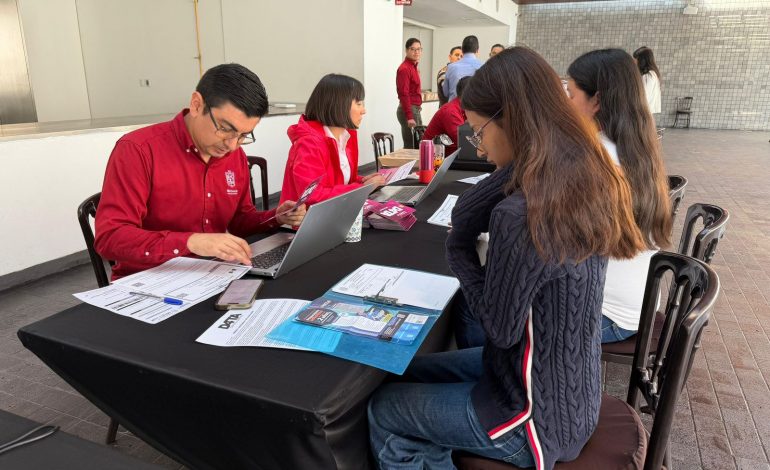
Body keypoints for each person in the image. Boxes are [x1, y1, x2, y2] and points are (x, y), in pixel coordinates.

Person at [368, 47, 645, 470]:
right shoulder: (584, 171)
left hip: (531, 419)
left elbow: (498, 329)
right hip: (571, 393)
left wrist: (458, 251)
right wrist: (514, 159)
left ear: (512, 121)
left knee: (384, 407)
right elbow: (467, 212)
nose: (479, 148)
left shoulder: (521, 214)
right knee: (408, 371)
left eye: (479, 131)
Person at [94, 64, 306, 280]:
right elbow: (110, 237)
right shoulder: (139, 150)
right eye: (225, 129)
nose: (232, 145)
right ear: (196, 105)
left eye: (243, 135)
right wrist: (190, 242)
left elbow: (240, 221)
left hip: (211, 274)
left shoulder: (234, 156)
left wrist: (277, 217)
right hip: (148, 280)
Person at [566, 48, 672, 343]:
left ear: (597, 101)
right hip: (638, 303)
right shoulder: (637, 147)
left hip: (606, 312)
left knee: (480, 320)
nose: (565, 104)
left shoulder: (595, 157)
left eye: (571, 95)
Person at [280, 74, 385, 207]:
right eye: (358, 104)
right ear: (339, 105)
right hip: (307, 218)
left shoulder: (345, 136)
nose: (363, 110)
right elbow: (311, 196)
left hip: (336, 210)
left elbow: (338, 182)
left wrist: (362, 181)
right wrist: (363, 188)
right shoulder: (309, 143)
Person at [423, 76, 470, 155]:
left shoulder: (463, 109)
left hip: (447, 154)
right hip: (434, 156)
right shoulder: (451, 111)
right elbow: (464, 141)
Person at [396, 38, 423, 149]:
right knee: (412, 146)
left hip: (413, 109)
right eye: (413, 49)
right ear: (406, 50)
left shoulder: (413, 67)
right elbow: (404, 93)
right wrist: (409, 116)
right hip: (409, 110)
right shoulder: (405, 69)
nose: (416, 52)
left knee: (417, 144)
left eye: (419, 49)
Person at [442, 35, 483, 101]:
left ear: (462, 50)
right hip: (475, 106)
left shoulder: (451, 67)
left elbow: (445, 93)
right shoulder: (484, 66)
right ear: (477, 50)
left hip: (454, 106)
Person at [632, 46, 661, 115]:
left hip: (642, 112)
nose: (634, 62)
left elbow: (643, 96)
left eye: (636, 59)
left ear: (642, 61)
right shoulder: (652, 74)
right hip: (645, 112)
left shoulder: (648, 76)